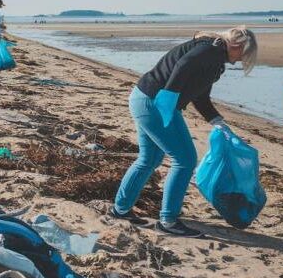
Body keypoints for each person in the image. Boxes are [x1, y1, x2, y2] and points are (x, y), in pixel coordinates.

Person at [111, 27, 258, 238]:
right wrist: (169, 97)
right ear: (237, 46)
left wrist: (217, 121)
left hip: (143, 98)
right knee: (185, 159)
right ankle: (168, 221)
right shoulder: (211, 50)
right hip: (155, 103)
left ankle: (120, 209)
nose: (242, 59)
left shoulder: (214, 58)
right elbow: (183, 64)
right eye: (244, 54)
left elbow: (200, 96)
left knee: (150, 158)